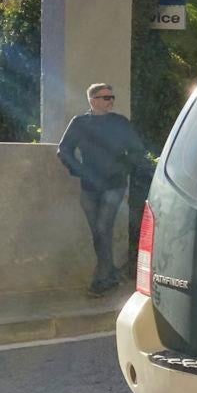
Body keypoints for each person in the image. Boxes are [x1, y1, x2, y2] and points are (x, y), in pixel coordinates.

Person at [57, 83, 154, 296]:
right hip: (89, 186)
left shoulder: (120, 123)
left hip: (115, 185)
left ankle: (100, 280)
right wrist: (80, 171)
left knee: (102, 228)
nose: (110, 101)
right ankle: (109, 274)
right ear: (92, 100)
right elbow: (64, 150)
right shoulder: (80, 123)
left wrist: (127, 167)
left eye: (112, 97)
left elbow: (137, 150)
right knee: (99, 233)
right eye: (105, 97)